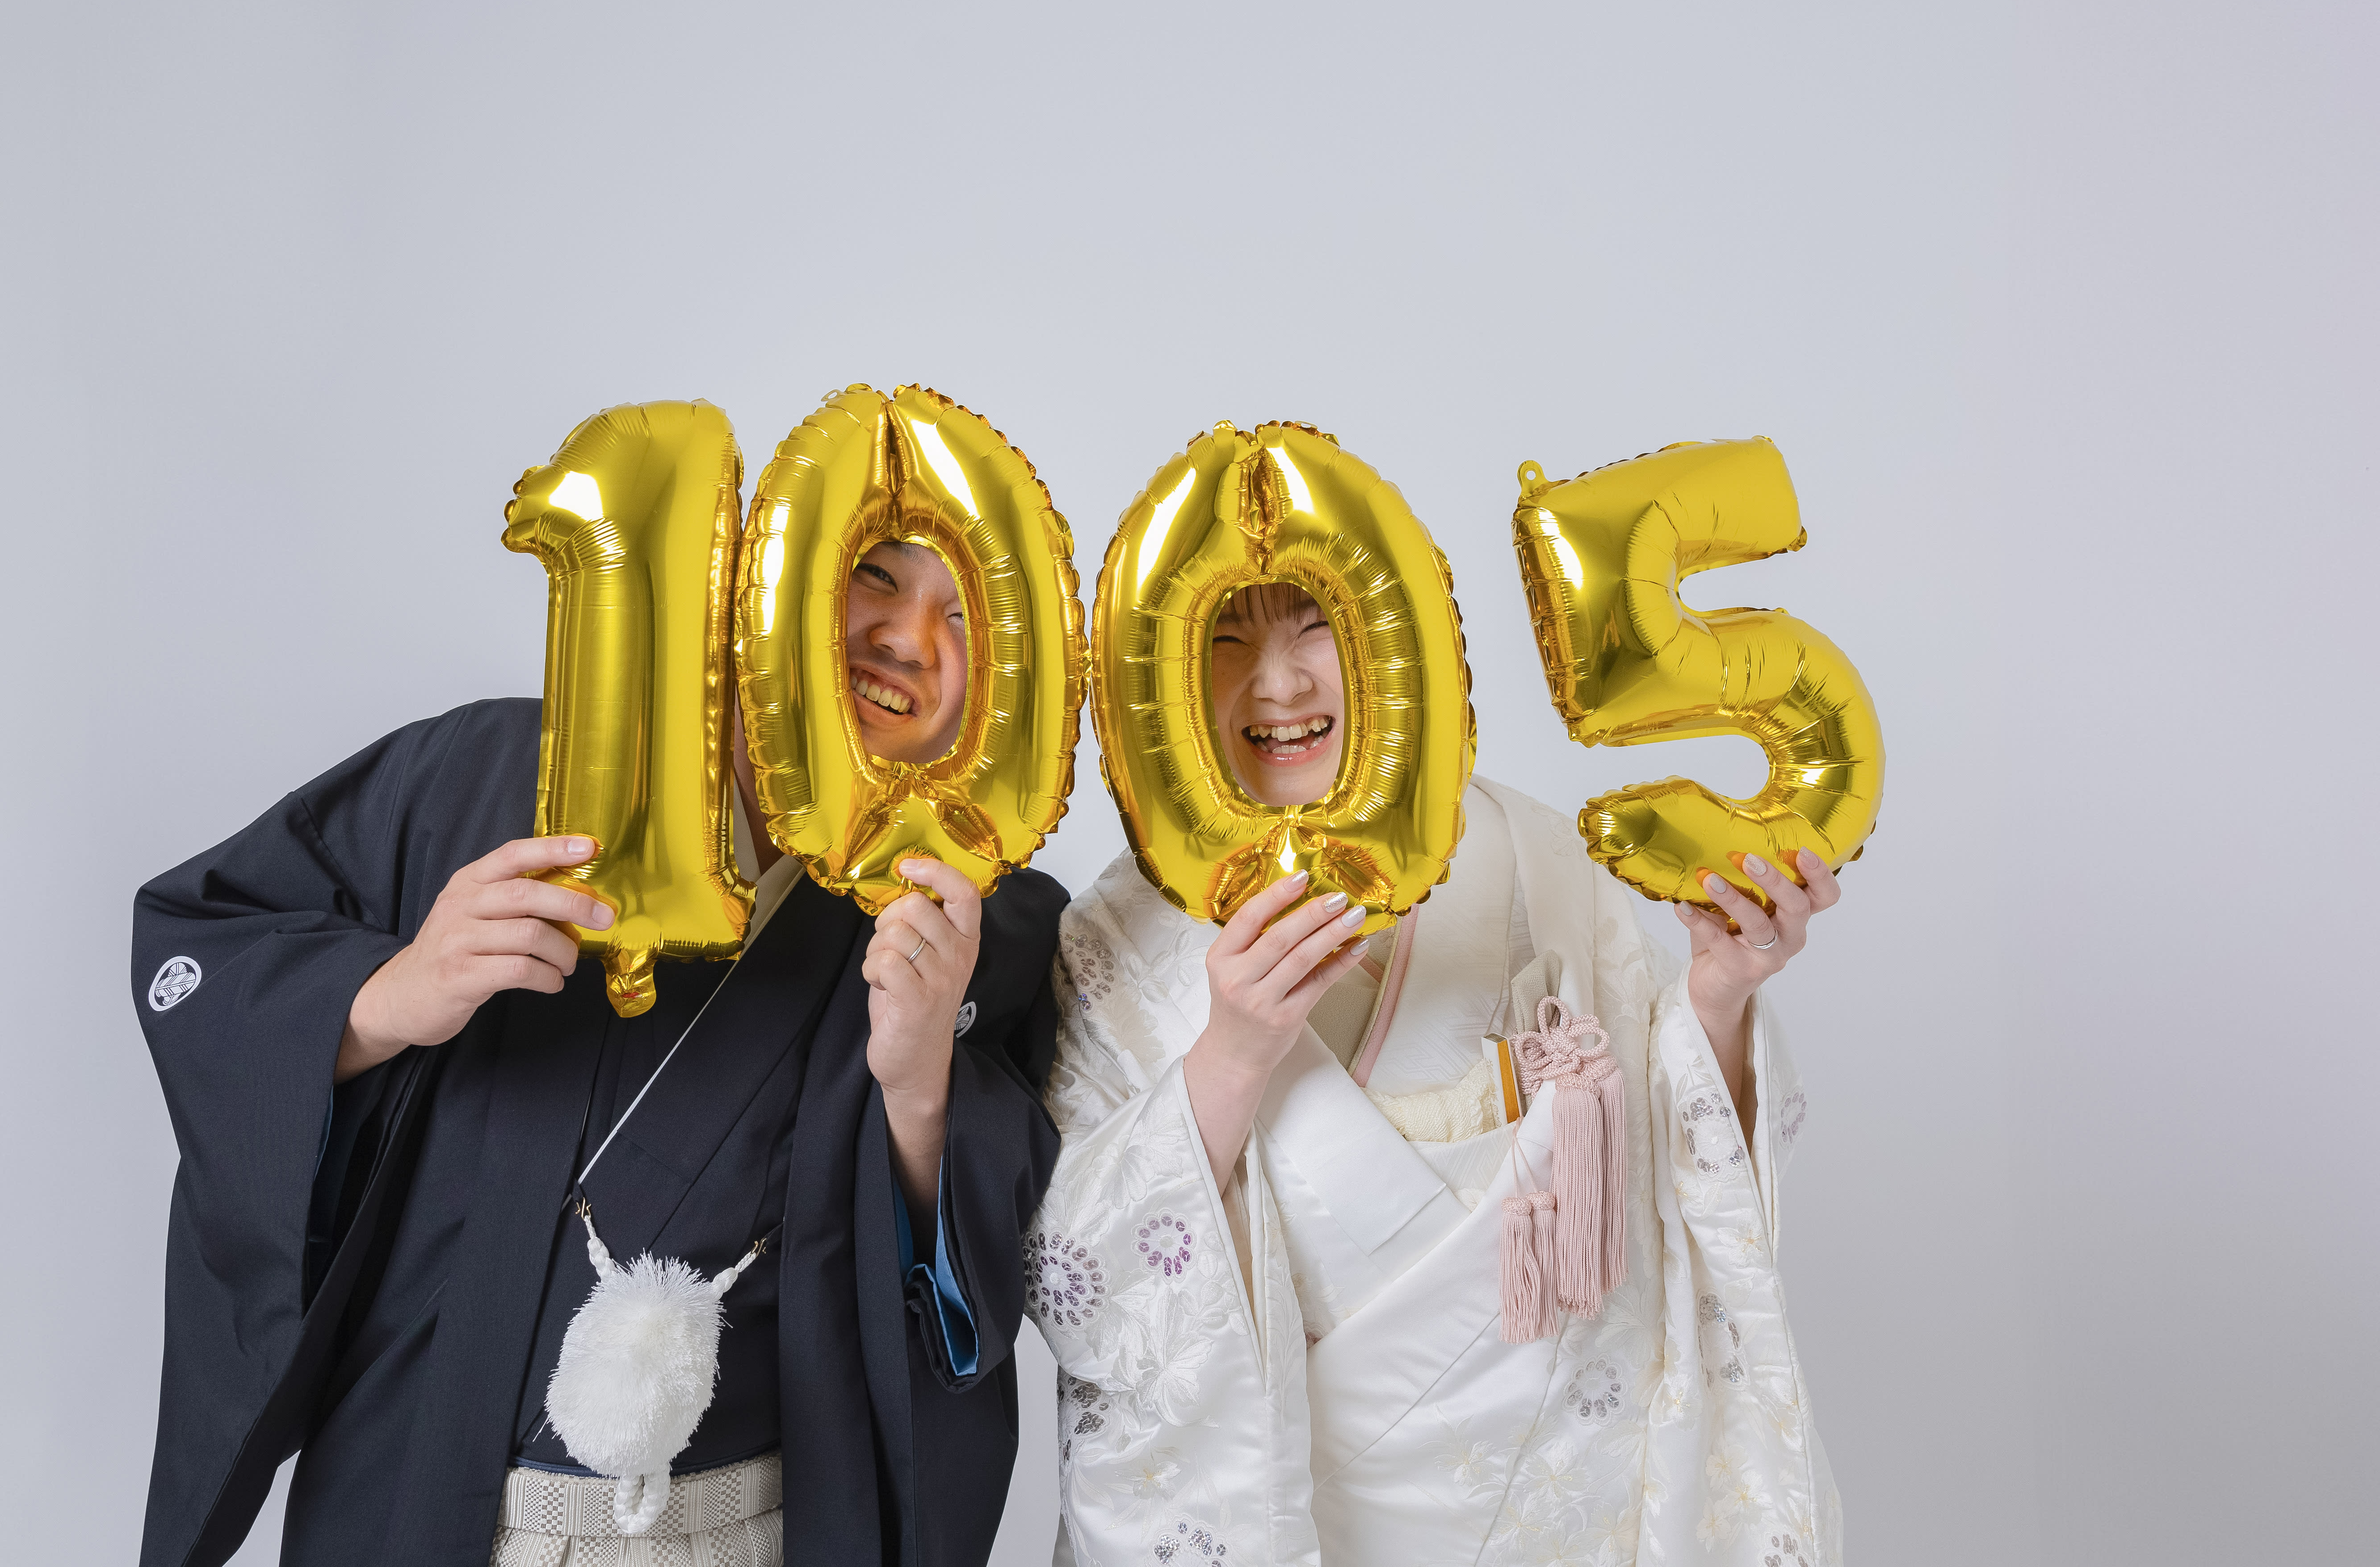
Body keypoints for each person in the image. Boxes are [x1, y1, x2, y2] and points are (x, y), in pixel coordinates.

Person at [133, 538, 1064, 1567]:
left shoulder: (974, 925)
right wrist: (390, 994)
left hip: (733, 1538)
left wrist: (921, 1085)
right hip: (414, 1498)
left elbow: (964, 1303)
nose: (910, 640)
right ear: (778, 573)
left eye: (966, 616)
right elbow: (205, 940)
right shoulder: (499, 777)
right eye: (876, 577)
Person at [1028, 583, 1844, 1565]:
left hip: (1566, 1501)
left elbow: (1673, 1154)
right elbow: (1077, 1274)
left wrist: (1719, 993)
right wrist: (1232, 1053)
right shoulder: (1116, 938)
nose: (1278, 684)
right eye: (1225, 640)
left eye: (1315, 627)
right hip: (1302, 1509)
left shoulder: (1536, 854)